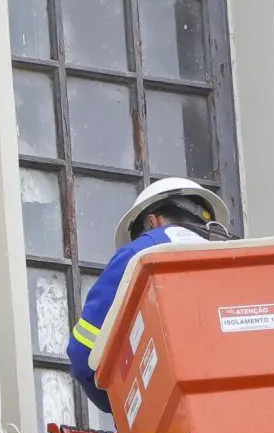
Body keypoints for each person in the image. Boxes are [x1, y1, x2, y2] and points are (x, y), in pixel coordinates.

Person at [68, 177, 230, 416]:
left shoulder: (140, 253)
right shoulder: (239, 257)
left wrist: (122, 408)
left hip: (171, 418)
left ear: (153, 222)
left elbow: (83, 352)